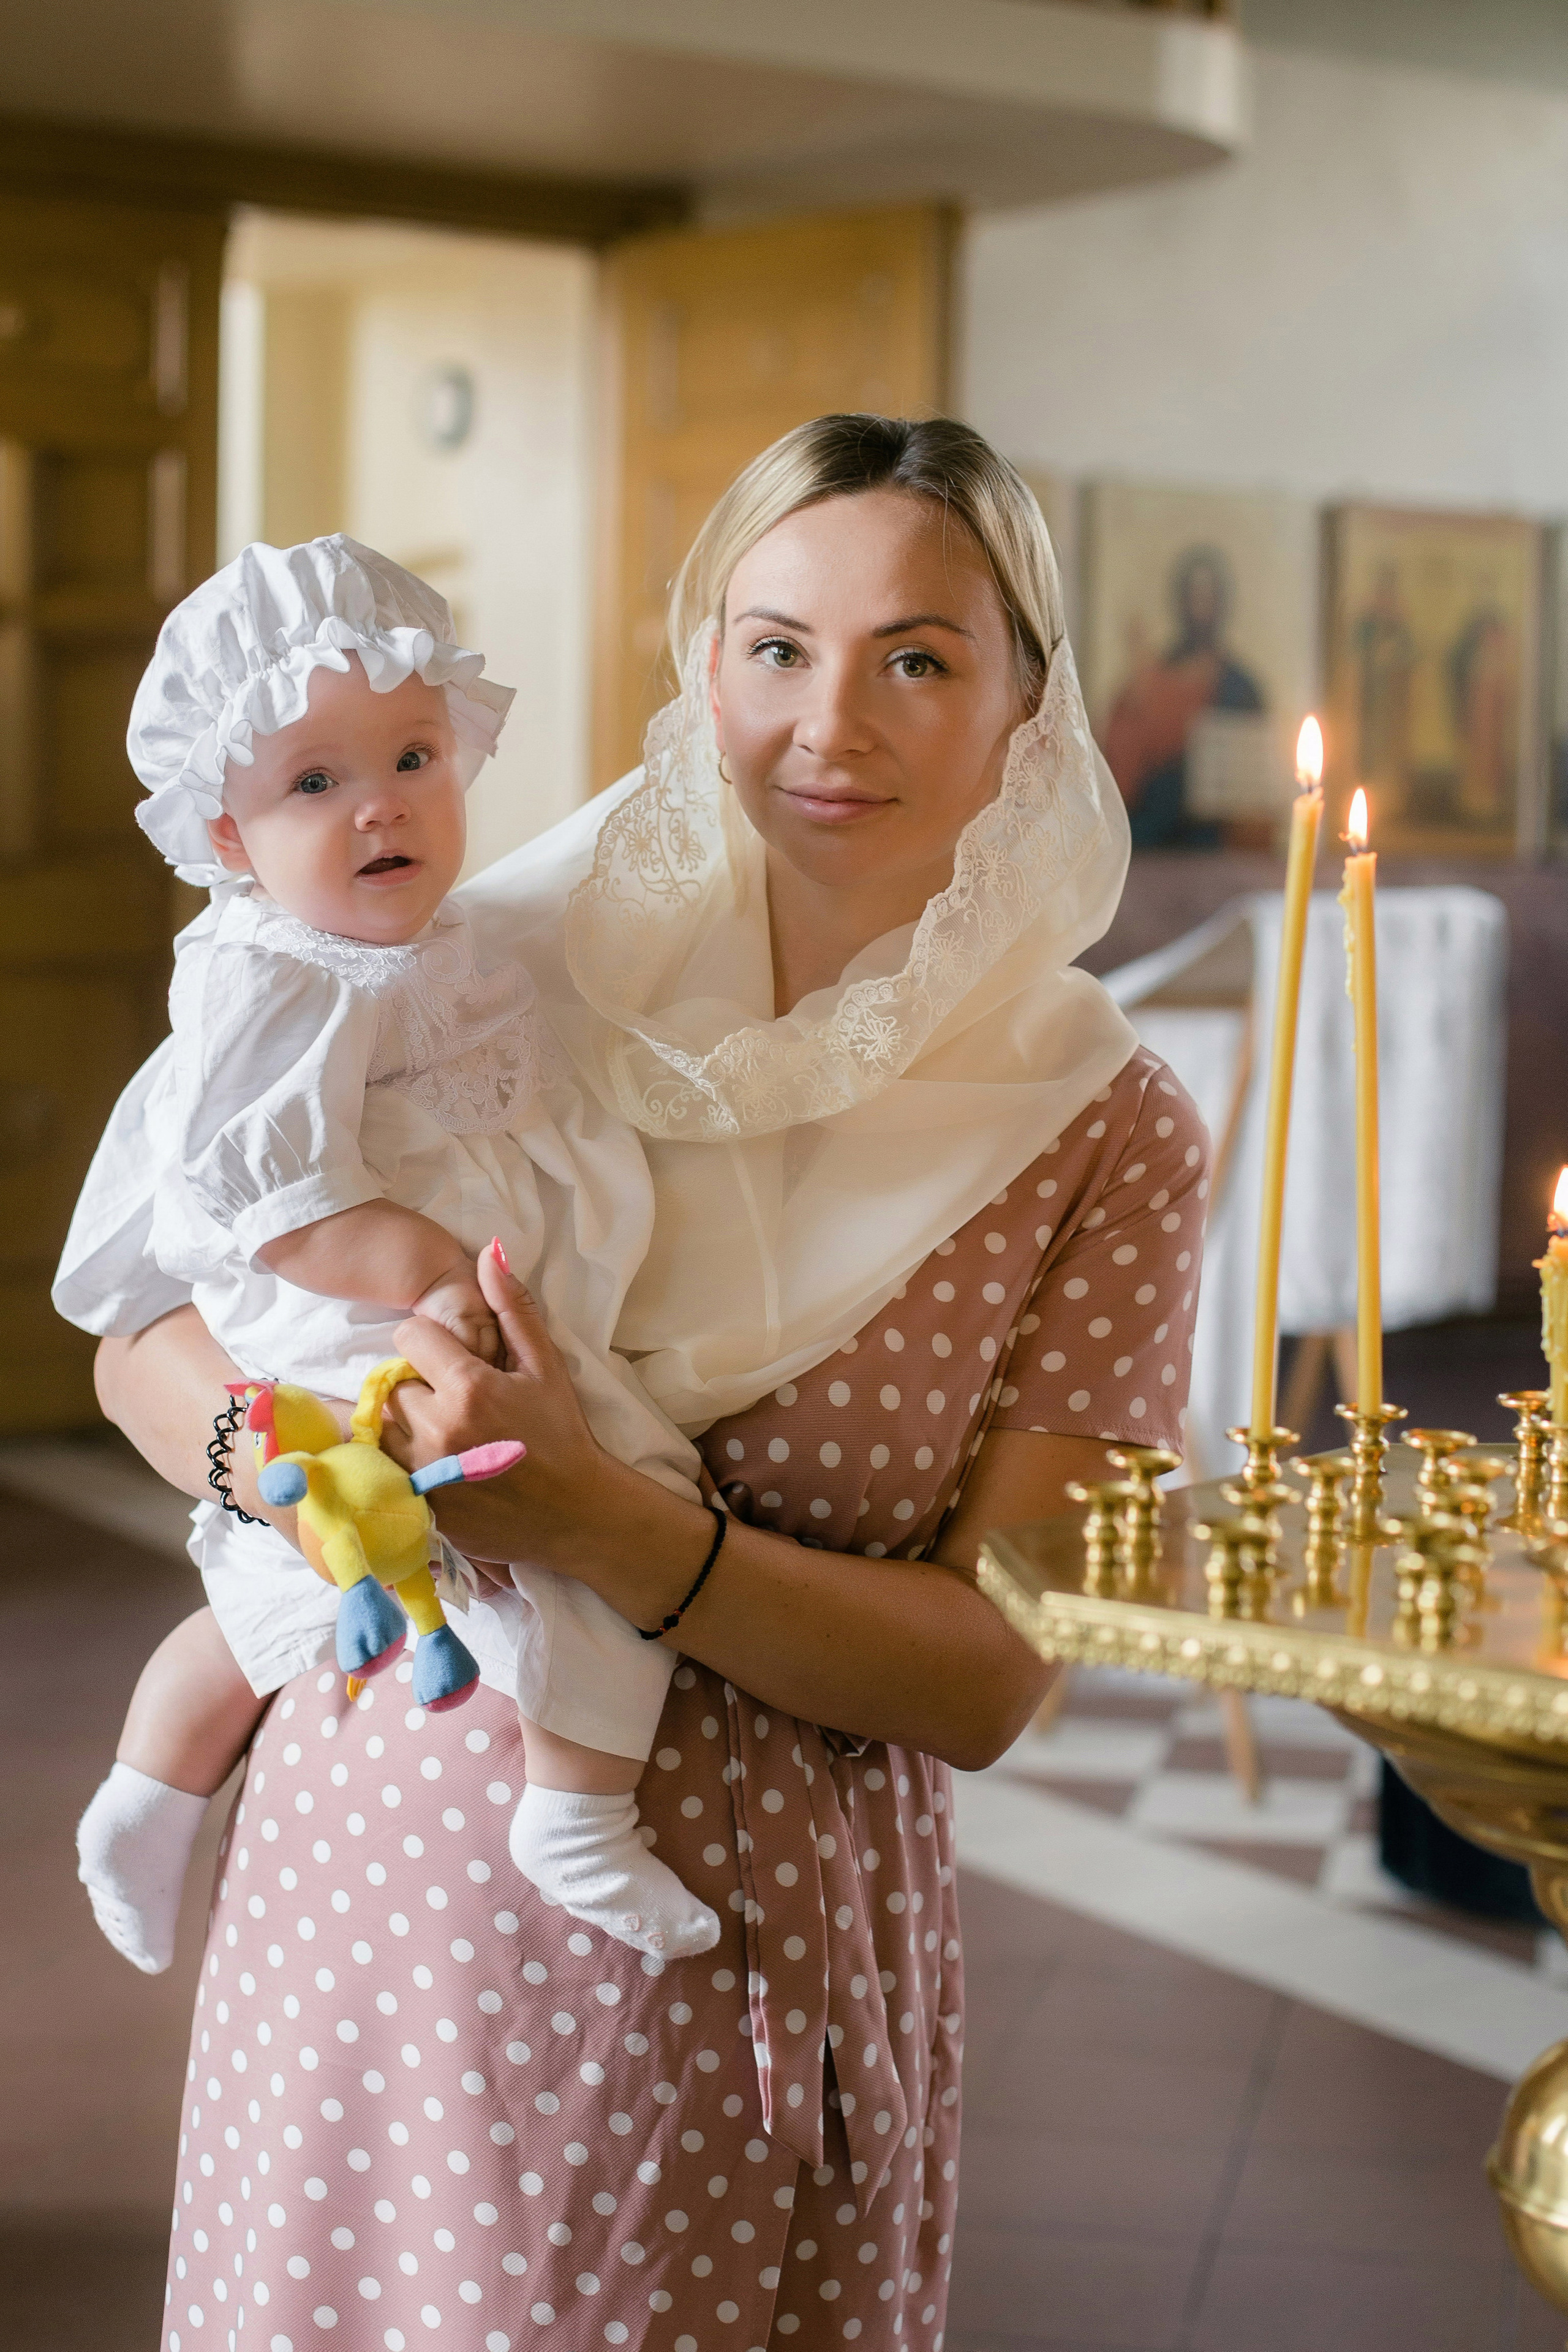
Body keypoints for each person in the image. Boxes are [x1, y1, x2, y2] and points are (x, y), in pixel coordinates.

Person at [95, 416, 1210, 2349]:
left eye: (918, 657)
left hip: (743, 1936)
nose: (826, 723)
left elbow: (994, 1676)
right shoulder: (473, 956)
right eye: (774, 645)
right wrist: (280, 1471)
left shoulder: (1104, 1132)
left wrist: (611, 1529)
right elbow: (140, 1314)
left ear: (1034, 703)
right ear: (702, 663)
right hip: (370, 1898)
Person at [61, 535, 720, 1978]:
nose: (381, 807)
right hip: (332, 1302)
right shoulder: (278, 974)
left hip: (371, 1290)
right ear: (224, 835)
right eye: (315, 782)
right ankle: (576, 1806)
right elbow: (283, 1204)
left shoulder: (412, 946)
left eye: (414, 756)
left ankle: (149, 1795)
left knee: (291, 1581)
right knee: (603, 1488)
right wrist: (439, 1274)